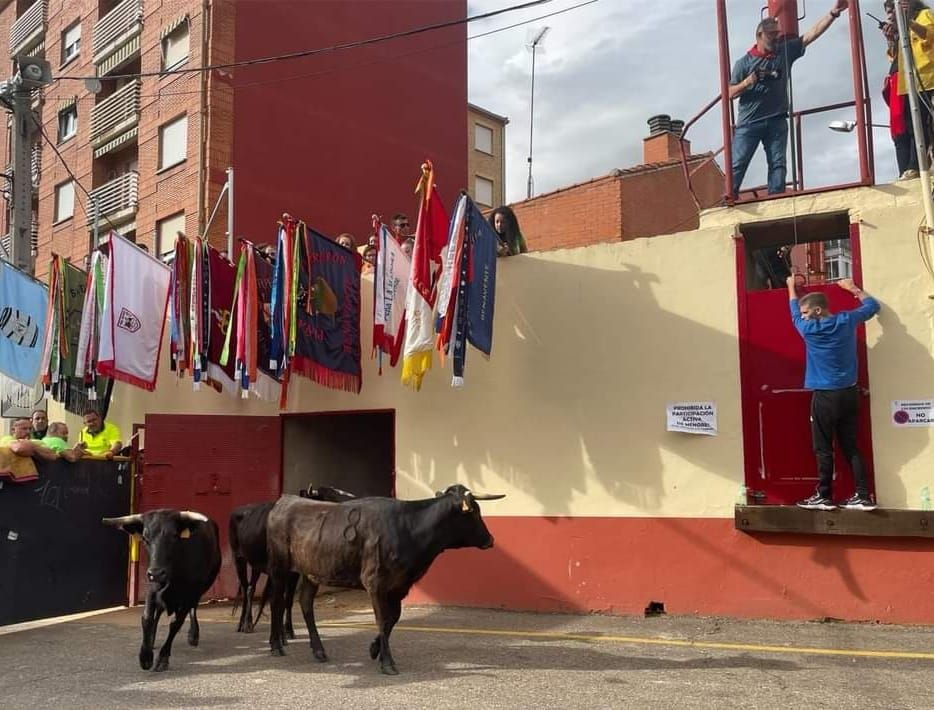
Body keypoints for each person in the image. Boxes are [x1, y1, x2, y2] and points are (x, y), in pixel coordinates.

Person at [729, 2, 849, 197]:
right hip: (749, 123)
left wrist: (833, 13)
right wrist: (748, 81)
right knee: (738, 162)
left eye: (777, 33)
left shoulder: (784, 51)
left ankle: (776, 197)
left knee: (778, 163)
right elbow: (730, 93)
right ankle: (729, 197)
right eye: (771, 34)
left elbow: (811, 35)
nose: (776, 38)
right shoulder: (743, 63)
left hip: (777, 118)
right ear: (759, 35)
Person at [788, 276, 880, 511]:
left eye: (807, 312)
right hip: (849, 394)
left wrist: (790, 286)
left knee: (823, 447)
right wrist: (852, 288)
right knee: (851, 446)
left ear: (817, 310)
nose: (804, 316)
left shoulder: (808, 329)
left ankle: (824, 496)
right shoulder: (846, 320)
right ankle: (863, 496)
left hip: (825, 397)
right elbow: (872, 307)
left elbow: (793, 315)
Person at [881, 1, 920, 179]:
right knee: (898, 126)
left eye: (892, 11)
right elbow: (893, 57)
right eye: (888, 13)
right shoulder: (898, 33)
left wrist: (905, 23)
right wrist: (890, 39)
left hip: (912, 77)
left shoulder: (920, 19)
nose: (889, 16)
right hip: (897, 78)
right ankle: (904, 169)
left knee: (911, 122)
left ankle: (914, 165)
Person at [895, 0, 934, 167]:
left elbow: (930, 34)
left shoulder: (924, 15)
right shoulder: (902, 26)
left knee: (928, 123)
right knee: (913, 127)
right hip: (911, 85)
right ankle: (915, 166)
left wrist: (909, 22)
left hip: (928, 79)